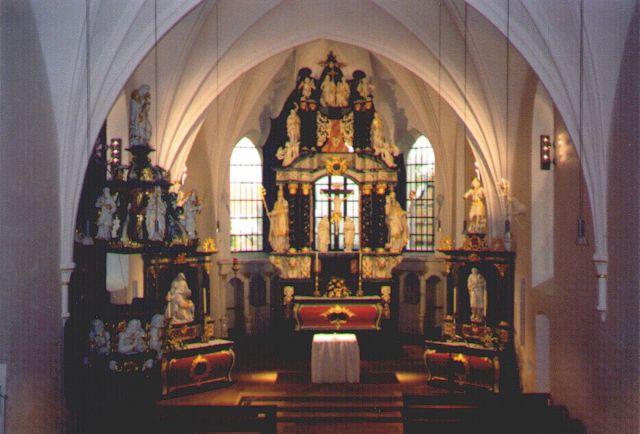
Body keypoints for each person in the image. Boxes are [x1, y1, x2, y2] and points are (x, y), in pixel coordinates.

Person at [268, 187, 290, 253]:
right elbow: (275, 211)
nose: (280, 196)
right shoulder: (276, 203)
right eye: (279, 195)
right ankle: (278, 247)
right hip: (277, 221)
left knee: (282, 233)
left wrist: (275, 213)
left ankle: (283, 247)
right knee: (277, 233)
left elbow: (285, 211)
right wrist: (271, 214)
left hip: (283, 220)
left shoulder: (285, 202)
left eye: (281, 194)